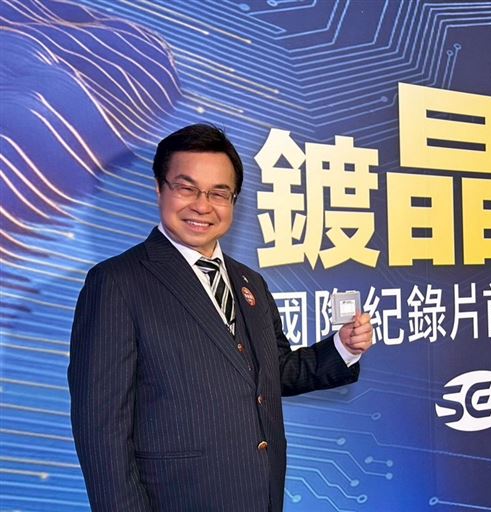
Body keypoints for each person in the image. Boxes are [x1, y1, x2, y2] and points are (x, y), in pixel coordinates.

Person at [68, 123, 374, 511]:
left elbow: (274, 373)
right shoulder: (116, 282)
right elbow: (101, 430)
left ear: (234, 200)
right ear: (159, 188)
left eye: (218, 193)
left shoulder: (250, 282)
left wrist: (342, 348)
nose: (202, 205)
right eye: (187, 188)